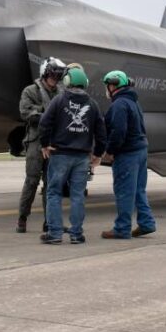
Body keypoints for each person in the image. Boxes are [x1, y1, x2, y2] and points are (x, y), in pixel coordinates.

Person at [38, 65, 106, 244]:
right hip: (82, 157)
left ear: (67, 81)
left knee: (54, 193)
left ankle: (54, 234)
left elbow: (44, 123)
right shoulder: (93, 104)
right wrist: (98, 154)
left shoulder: (58, 101)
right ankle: (76, 234)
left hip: (60, 154)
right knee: (77, 195)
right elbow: (101, 132)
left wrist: (45, 145)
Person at [98, 70, 157, 240]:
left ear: (113, 85)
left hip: (127, 154)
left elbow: (118, 132)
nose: (106, 89)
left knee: (124, 191)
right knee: (139, 190)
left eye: (107, 85)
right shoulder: (133, 102)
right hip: (140, 150)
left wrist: (109, 152)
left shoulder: (119, 104)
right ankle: (147, 223)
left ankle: (122, 228)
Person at [16, 57, 66, 233]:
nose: (55, 79)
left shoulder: (62, 92)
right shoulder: (30, 91)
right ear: (45, 73)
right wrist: (48, 114)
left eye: (58, 76)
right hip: (36, 141)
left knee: (51, 183)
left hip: (54, 142)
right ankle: (22, 217)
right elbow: (25, 113)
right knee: (31, 181)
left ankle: (49, 220)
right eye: (53, 75)